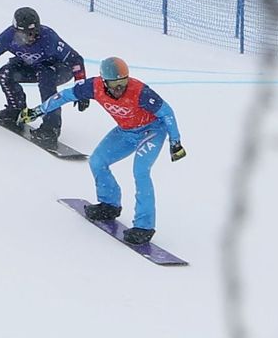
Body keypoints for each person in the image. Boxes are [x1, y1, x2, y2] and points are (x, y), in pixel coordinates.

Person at [22, 56, 186, 245]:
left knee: (140, 171)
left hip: (151, 131)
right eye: (114, 84)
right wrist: (38, 110)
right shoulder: (94, 86)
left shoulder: (139, 91)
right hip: (125, 132)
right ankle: (109, 204)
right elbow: (65, 95)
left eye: (123, 82)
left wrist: (176, 142)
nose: (119, 88)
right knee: (97, 161)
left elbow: (166, 112)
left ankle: (144, 226)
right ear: (104, 81)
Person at [0, 6, 87, 145]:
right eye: (24, 34)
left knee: (46, 75)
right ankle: (15, 109)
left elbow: (76, 60)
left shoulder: (49, 37)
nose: (30, 37)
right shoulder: (7, 37)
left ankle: (51, 127)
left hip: (59, 69)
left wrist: (81, 89)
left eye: (33, 32)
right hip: (33, 66)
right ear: (16, 31)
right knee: (5, 73)